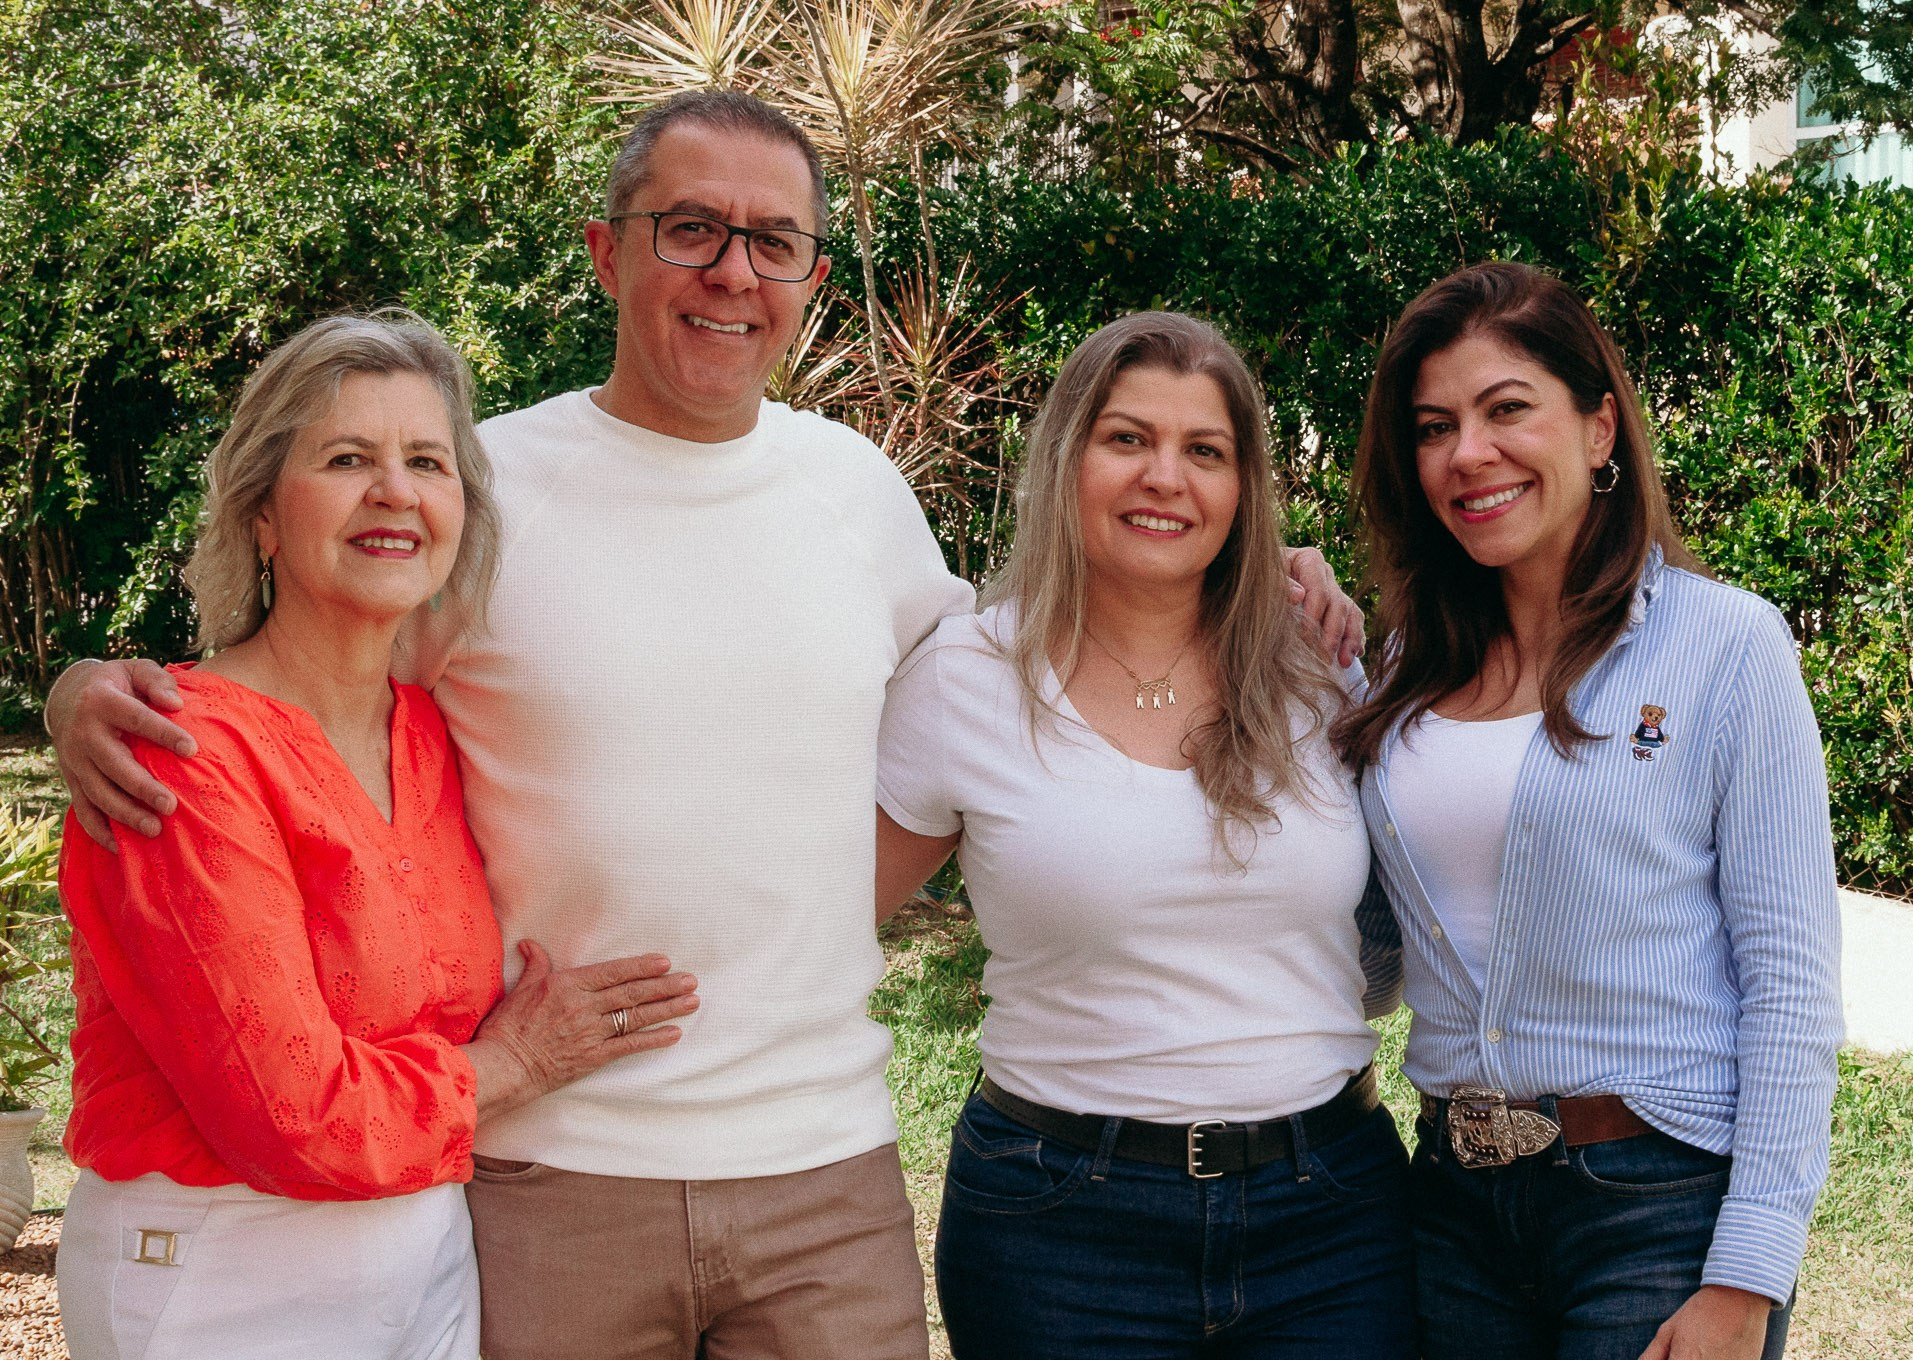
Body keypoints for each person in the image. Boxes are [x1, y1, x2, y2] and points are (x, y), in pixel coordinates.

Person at [43, 93, 1366, 1357]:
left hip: (823, 1175)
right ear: (607, 251)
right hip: (555, 1169)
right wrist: (94, 688)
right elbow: (309, 656)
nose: (733, 270)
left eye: (774, 240)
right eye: (693, 228)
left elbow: (1042, 657)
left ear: (810, 279)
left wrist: (1278, 577)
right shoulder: (480, 487)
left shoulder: (858, 494)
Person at [54, 312, 698, 1360]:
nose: (393, 490)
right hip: (221, 1276)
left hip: (424, 1262)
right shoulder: (178, 750)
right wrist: (514, 1064)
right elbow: (289, 1109)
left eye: (426, 462)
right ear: (262, 513)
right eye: (347, 458)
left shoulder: (434, 735)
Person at [874, 312, 1414, 1359]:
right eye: (1127, 439)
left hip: (1330, 1218)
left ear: (1243, 491)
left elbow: (1411, 923)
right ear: (1067, 456)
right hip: (1058, 1227)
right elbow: (827, 920)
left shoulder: (1317, 668)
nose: (1164, 476)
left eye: (1203, 451)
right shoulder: (965, 677)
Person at [1334, 262, 1843, 1360]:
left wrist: (1746, 1274)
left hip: (1652, 1207)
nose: (1466, 453)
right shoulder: (1392, 673)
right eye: (1432, 426)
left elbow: (1790, 984)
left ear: (1598, 427)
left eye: (1505, 408)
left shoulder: (1724, 647)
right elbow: (1370, 961)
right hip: (1448, 1209)